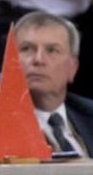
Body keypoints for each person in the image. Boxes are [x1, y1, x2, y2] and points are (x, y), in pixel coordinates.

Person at [15, 11, 93, 156]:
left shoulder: (88, 114)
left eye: (52, 50)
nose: (38, 59)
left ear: (72, 68)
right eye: (26, 49)